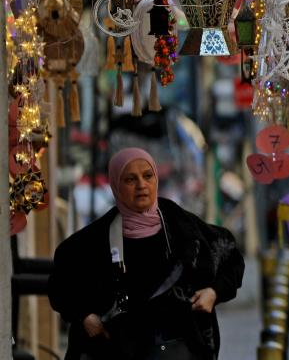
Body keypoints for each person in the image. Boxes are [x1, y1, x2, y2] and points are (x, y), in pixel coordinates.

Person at [48, 148, 244, 359]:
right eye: (130, 179)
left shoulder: (182, 227)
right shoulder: (96, 239)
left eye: (147, 176)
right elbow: (60, 284)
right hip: (116, 351)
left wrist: (213, 292)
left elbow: (230, 257)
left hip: (175, 349)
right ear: (116, 185)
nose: (141, 185)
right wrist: (84, 316)